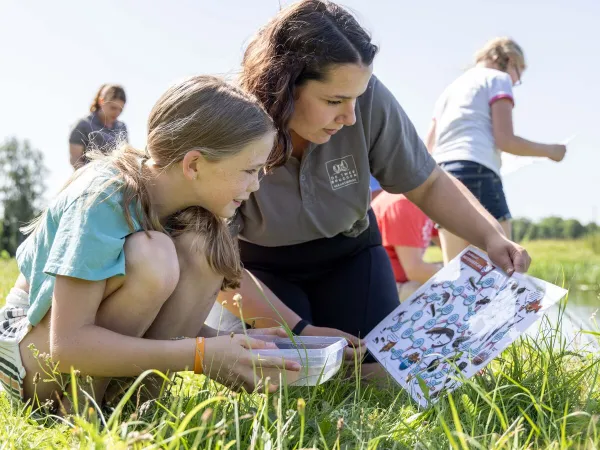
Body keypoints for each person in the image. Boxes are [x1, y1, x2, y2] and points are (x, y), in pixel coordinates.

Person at [212, 0, 531, 375]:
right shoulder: (230, 121)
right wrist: (299, 331)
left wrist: (491, 237)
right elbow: (212, 261)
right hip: (255, 271)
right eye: (334, 101)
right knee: (278, 376)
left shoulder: (366, 99)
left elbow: (427, 183)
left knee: (378, 375)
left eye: (356, 99)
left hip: (350, 258)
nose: (350, 117)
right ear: (282, 85)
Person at [0, 75, 300, 410]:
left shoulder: (188, 211)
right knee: (154, 256)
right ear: (194, 164)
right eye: (250, 170)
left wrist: (230, 346)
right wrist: (200, 356)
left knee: (203, 249)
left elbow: (147, 314)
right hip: (33, 358)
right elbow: (68, 344)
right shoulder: (100, 198)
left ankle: (138, 411)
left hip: (74, 348)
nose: (256, 185)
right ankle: (82, 416)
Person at [426, 37, 567, 264]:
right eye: (518, 72)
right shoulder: (498, 79)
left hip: (441, 176)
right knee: (505, 269)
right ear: (509, 61)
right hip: (477, 172)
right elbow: (505, 140)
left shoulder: (450, 89)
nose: (515, 79)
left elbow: (428, 148)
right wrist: (551, 151)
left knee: (454, 273)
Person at [372, 192, 442, 301]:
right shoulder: (403, 204)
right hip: (381, 291)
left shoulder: (418, 201)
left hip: (395, 283)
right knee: (442, 294)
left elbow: (446, 243)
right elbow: (415, 270)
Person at [69, 84, 129, 170]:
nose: (117, 112)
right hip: (89, 179)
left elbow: (126, 157)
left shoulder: (122, 128)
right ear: (101, 101)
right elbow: (75, 160)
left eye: (120, 109)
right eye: (113, 108)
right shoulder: (83, 125)